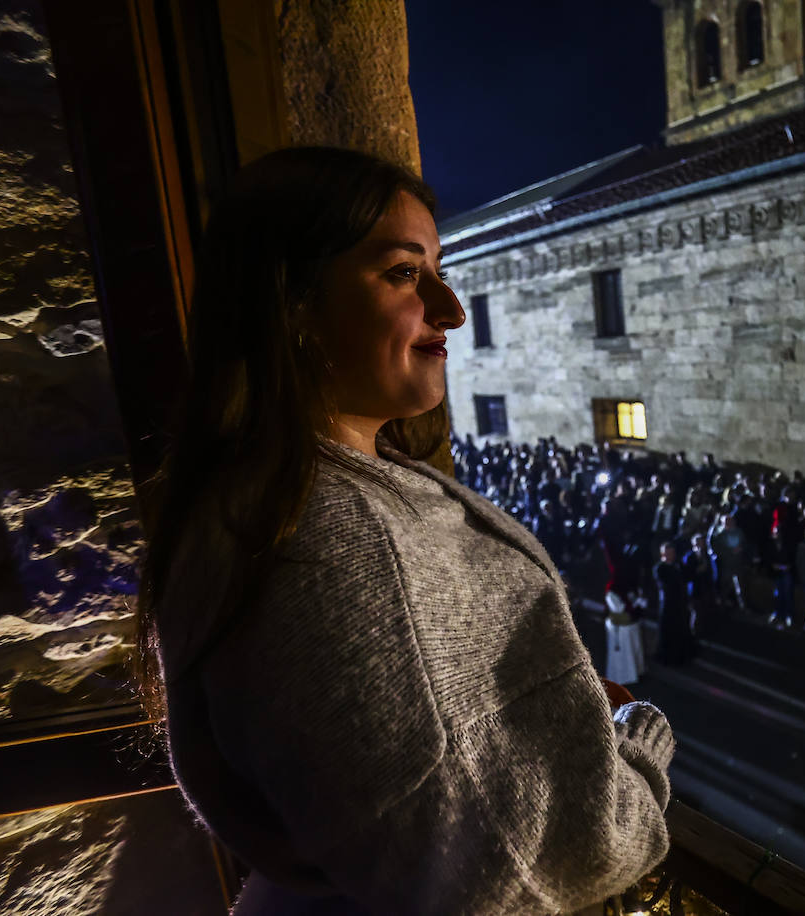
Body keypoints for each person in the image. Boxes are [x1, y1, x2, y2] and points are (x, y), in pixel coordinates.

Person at [141, 148, 673, 915]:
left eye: (441, 269)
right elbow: (501, 865)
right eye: (402, 272)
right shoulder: (333, 537)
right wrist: (635, 743)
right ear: (291, 301)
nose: (451, 308)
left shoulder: (270, 494)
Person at [654, 540, 696, 666]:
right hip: (667, 604)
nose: (670, 556)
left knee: (681, 628)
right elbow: (666, 582)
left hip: (680, 602)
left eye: (671, 553)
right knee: (668, 630)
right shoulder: (660, 568)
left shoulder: (678, 565)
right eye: (667, 553)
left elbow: (688, 575)